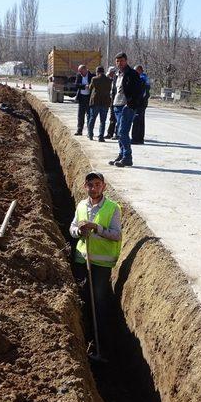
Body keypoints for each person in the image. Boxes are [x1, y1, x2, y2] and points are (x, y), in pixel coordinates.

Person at [70, 172, 122, 356]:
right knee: (84, 301)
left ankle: (104, 346)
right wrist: (78, 231)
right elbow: (72, 227)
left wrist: (96, 228)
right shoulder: (82, 205)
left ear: (104, 186)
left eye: (98, 184)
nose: (94, 188)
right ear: (85, 187)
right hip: (82, 260)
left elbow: (116, 235)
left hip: (101, 264)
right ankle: (88, 339)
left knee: (99, 303)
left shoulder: (112, 208)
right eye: (91, 185)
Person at [108, 52, 141, 168]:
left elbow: (138, 91)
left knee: (123, 132)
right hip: (117, 105)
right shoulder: (117, 74)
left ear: (126, 61)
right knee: (119, 132)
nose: (119, 63)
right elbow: (114, 91)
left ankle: (127, 157)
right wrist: (112, 105)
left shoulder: (132, 74)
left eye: (121, 61)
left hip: (127, 107)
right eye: (117, 61)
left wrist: (130, 104)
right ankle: (121, 155)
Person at [88, 66, 112, 142]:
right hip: (105, 102)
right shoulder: (109, 80)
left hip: (95, 102)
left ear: (97, 72)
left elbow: (90, 88)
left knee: (92, 119)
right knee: (103, 121)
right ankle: (101, 137)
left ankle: (90, 135)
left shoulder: (94, 79)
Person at [131, 65, 150, 144]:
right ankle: (140, 138)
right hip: (143, 102)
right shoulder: (146, 78)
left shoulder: (141, 79)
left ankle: (135, 138)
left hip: (139, 102)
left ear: (139, 70)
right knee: (141, 121)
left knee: (136, 120)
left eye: (135, 71)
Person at [74, 65, 93, 135]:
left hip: (89, 98)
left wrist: (90, 86)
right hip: (81, 98)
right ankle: (79, 130)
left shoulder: (91, 76)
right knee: (80, 115)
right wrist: (84, 86)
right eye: (79, 71)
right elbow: (76, 85)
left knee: (89, 115)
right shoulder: (79, 75)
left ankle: (89, 131)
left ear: (85, 69)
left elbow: (94, 85)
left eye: (81, 71)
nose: (80, 73)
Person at [106, 67, 118, 140]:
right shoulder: (112, 80)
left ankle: (117, 134)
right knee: (112, 118)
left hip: (117, 101)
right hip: (112, 101)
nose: (109, 76)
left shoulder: (118, 79)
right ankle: (110, 133)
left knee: (117, 119)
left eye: (110, 74)